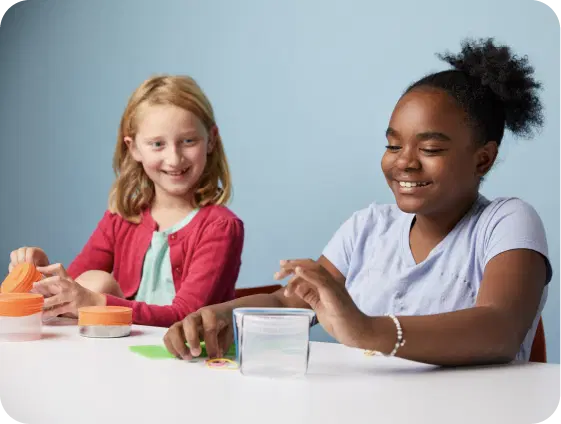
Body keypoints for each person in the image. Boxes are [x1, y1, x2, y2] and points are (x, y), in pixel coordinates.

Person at [163, 38, 552, 366]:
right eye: (393, 145)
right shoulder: (367, 227)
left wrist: (367, 329)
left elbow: (499, 327)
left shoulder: (507, 221)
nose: (404, 161)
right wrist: (217, 315)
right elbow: (293, 301)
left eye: (430, 147)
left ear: (483, 158)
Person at [7, 75, 244, 327]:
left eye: (188, 141)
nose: (174, 159)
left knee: (98, 287)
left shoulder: (221, 227)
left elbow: (185, 317)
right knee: (94, 282)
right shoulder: (122, 217)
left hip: (187, 355)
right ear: (134, 148)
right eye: (157, 144)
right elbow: (75, 286)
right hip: (125, 351)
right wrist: (41, 273)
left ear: (211, 140)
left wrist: (95, 302)